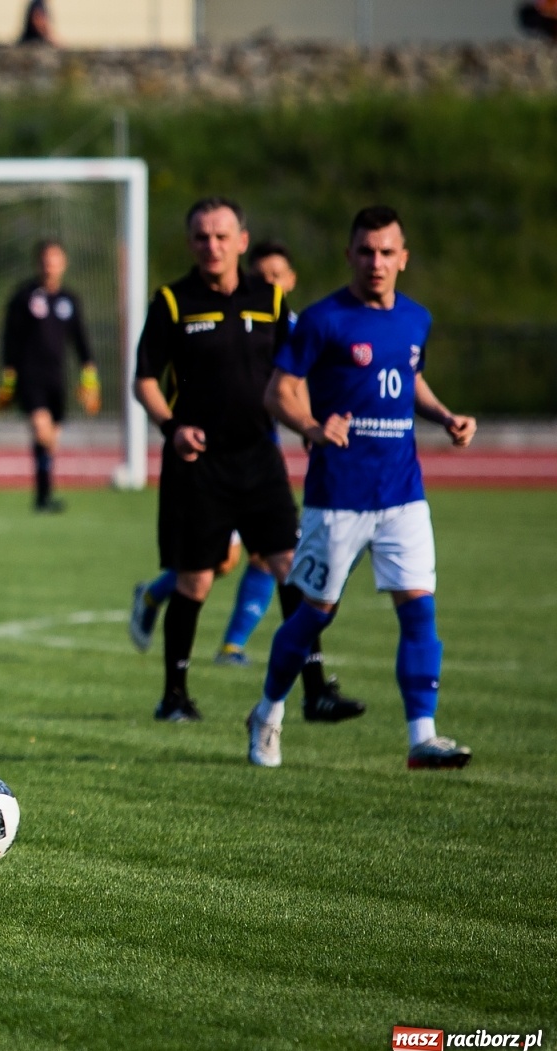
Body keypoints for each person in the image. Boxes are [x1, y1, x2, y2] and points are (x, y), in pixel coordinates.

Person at [247, 206, 476, 770]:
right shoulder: (323, 320)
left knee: (419, 611)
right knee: (315, 614)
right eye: (366, 251)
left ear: (403, 258)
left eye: (386, 252)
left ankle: (423, 738)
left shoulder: (416, 319)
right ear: (349, 255)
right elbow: (278, 392)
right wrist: (311, 427)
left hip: (403, 493)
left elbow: (409, 378)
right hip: (338, 497)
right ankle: (268, 713)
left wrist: (445, 416)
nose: (376, 262)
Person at [131, 197, 362, 724]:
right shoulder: (172, 301)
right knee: (196, 581)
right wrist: (172, 428)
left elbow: (291, 377)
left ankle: (315, 691)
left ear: (241, 240)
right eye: (201, 237)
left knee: (292, 569)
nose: (211, 246)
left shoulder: (271, 300)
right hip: (198, 465)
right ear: (190, 243)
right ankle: (174, 697)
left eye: (221, 236)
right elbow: (145, 380)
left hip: (260, 458)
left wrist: (308, 425)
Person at [0, 239, 99, 513]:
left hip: (57, 379)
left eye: (54, 260)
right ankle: (45, 494)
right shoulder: (24, 297)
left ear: (63, 264)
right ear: (37, 263)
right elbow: (10, 337)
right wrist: (8, 378)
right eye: (45, 260)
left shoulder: (69, 300)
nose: (49, 266)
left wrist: (89, 375)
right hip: (30, 378)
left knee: (50, 442)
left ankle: (43, 496)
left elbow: (80, 340)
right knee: (43, 432)